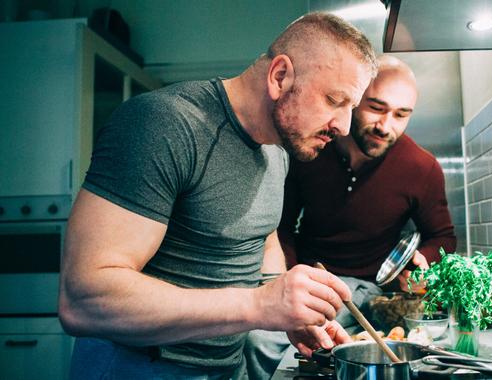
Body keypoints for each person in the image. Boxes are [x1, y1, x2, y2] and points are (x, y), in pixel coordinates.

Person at [57, 12, 377, 379]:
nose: (344, 126)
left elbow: (262, 236)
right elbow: (82, 301)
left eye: (350, 108)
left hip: (226, 368)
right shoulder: (164, 125)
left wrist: (288, 314)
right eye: (335, 100)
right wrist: (259, 305)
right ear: (280, 77)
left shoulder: (275, 150)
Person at [245, 55, 456, 379]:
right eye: (376, 107)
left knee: (268, 338)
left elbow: (443, 237)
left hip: (371, 289)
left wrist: (421, 264)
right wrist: (285, 278)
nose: (387, 126)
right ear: (354, 99)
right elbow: (281, 225)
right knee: (259, 338)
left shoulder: (422, 168)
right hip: (311, 276)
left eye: (401, 115)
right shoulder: (311, 147)